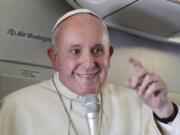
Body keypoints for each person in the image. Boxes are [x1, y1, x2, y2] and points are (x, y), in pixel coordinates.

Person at [0, 9, 179, 135]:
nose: (88, 64)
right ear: (55, 58)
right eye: (75, 51)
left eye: (97, 50)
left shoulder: (137, 104)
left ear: (109, 56)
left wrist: (165, 110)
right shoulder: (13, 108)